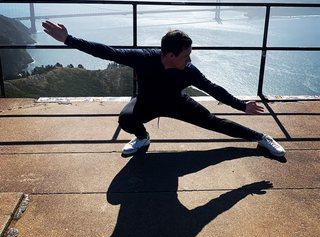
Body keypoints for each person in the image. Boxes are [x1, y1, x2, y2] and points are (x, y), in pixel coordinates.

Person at [42, 20, 286, 158]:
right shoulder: (145, 59)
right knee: (126, 118)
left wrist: (242, 105)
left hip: (178, 104)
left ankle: (261, 139)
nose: (190, 59)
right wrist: (68, 40)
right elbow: (108, 51)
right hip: (147, 103)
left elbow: (213, 88)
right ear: (169, 55)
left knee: (215, 123)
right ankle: (143, 138)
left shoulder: (188, 71)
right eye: (186, 54)